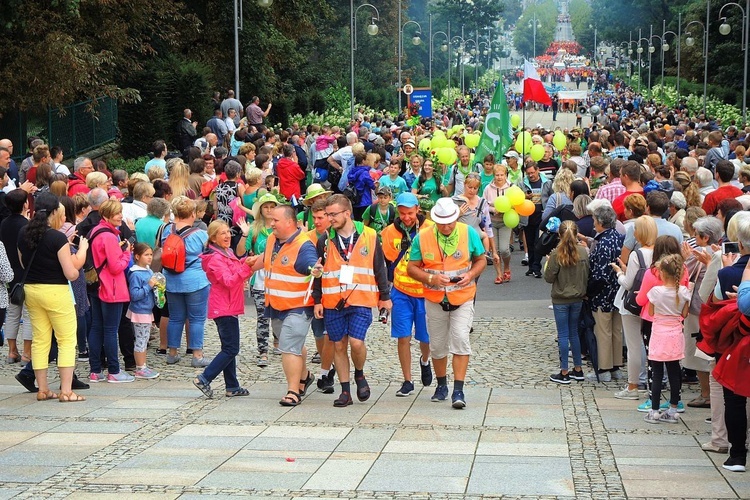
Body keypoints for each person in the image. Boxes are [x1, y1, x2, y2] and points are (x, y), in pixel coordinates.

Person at [312, 194, 392, 407]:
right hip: (333, 302)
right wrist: (317, 299)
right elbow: (319, 272)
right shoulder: (325, 240)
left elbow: (379, 268)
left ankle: (359, 373)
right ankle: (345, 391)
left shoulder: (370, 235)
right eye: (327, 215)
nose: (330, 219)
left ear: (347, 213)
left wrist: (385, 297)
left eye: (333, 214)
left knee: (356, 343)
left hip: (361, 298)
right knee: (339, 345)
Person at [407, 198, 487, 408]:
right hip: (434, 299)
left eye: (450, 222)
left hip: (463, 296)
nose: (446, 226)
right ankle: (441, 384)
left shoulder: (468, 232)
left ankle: (458, 390)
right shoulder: (422, 238)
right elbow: (412, 267)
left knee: (460, 339)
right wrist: (431, 279)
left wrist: (470, 274)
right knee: (438, 346)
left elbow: (481, 259)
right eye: (442, 223)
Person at [18, 192, 88, 401]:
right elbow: (71, 273)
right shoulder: (57, 237)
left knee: (40, 340)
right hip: (56, 292)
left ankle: (42, 389)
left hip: (32, 290)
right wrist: (81, 251)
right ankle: (66, 390)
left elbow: (23, 263)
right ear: (54, 212)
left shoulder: (24, 232)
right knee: (66, 340)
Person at [247, 205, 320, 406]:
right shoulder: (273, 239)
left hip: (298, 306)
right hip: (276, 305)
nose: (271, 224)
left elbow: (312, 266)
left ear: (289, 222)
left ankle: (293, 391)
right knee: (294, 345)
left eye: (275, 221)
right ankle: (304, 376)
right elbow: (271, 259)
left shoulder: (303, 246)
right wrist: (254, 262)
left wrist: (316, 270)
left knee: (288, 347)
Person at [381, 193, 434, 396]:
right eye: (402, 213)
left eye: (410, 213)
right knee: (403, 336)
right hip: (400, 291)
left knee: (425, 337)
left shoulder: (430, 228)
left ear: (417, 210)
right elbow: (385, 263)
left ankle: (425, 360)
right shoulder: (388, 232)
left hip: (424, 291)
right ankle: (407, 380)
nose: (406, 217)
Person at [193, 220, 254, 398]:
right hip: (224, 306)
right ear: (213, 238)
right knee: (231, 348)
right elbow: (228, 280)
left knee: (228, 347)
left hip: (228, 305)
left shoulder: (225, 252)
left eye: (228, 232)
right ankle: (204, 378)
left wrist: (246, 262)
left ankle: (232, 386)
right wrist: (246, 267)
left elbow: (235, 268)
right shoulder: (215, 258)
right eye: (222, 233)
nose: (227, 236)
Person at [88, 200, 135, 383]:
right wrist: (126, 253)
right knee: (110, 329)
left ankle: (95, 370)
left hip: (97, 285)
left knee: (97, 327)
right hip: (111, 287)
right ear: (107, 215)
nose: (120, 216)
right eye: (117, 213)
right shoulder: (108, 236)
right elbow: (116, 267)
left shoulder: (95, 231)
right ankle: (114, 371)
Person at [160, 197, 211, 367]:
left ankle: (172, 353)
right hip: (195, 280)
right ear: (193, 213)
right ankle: (197, 356)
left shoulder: (167, 230)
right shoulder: (201, 235)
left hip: (172, 279)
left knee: (175, 317)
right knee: (196, 319)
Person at [611, 216, 657, 399]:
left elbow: (629, 283)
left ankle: (633, 386)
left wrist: (620, 272)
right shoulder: (660, 252)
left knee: (634, 346)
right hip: (651, 302)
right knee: (650, 344)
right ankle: (649, 380)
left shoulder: (636, 254)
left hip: (633, 304)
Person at [642, 254, 690, 424]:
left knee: (657, 373)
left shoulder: (655, 292)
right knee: (674, 373)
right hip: (676, 334)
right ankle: (673, 409)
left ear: (662, 273)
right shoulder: (684, 292)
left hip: (659, 334)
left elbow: (652, 312)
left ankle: (654, 410)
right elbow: (684, 314)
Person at [545, 221, 589, 384]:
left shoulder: (557, 254)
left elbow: (549, 278)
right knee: (574, 333)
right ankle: (578, 369)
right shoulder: (583, 252)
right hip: (577, 297)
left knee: (563, 334)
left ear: (559, 235)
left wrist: (549, 262)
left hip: (561, 298)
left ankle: (564, 371)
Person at [237, 192, 279, 365]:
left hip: (280, 278)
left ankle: (278, 342)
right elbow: (240, 252)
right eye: (265, 207)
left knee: (279, 313)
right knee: (263, 316)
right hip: (260, 278)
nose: (269, 210)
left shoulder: (283, 227)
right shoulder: (255, 228)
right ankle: (263, 351)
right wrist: (245, 234)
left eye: (272, 207)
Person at [586, 202, 625, 382]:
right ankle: (616, 366)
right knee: (616, 331)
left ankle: (604, 369)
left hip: (603, 295)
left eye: (594, 219)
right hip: (618, 292)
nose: (593, 222)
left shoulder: (602, 242)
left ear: (600, 222)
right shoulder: (619, 237)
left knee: (603, 331)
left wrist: (588, 292)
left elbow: (600, 275)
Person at [305, 199, 336, 393]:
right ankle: (328, 366)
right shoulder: (307, 238)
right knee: (318, 334)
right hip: (313, 293)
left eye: (320, 217)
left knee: (330, 336)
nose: (316, 221)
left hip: (332, 293)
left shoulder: (335, 237)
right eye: (314, 217)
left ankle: (326, 373)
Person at [126, 243, 160, 379]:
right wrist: (149, 286)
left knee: (145, 339)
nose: (150, 257)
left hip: (146, 310)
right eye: (146, 255)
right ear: (137, 256)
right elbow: (135, 295)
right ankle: (140, 367)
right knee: (141, 339)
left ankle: (143, 365)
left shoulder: (148, 270)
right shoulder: (135, 274)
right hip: (140, 311)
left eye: (151, 254)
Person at [483, 164, 513, 283]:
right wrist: (493, 210)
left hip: (505, 221)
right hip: (492, 221)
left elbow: (516, 203)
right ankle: (499, 274)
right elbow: (484, 204)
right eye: (497, 175)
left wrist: (506, 209)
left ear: (505, 175)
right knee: (494, 250)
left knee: (504, 249)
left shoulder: (511, 187)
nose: (499, 177)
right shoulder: (488, 188)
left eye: (502, 175)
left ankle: (506, 267)